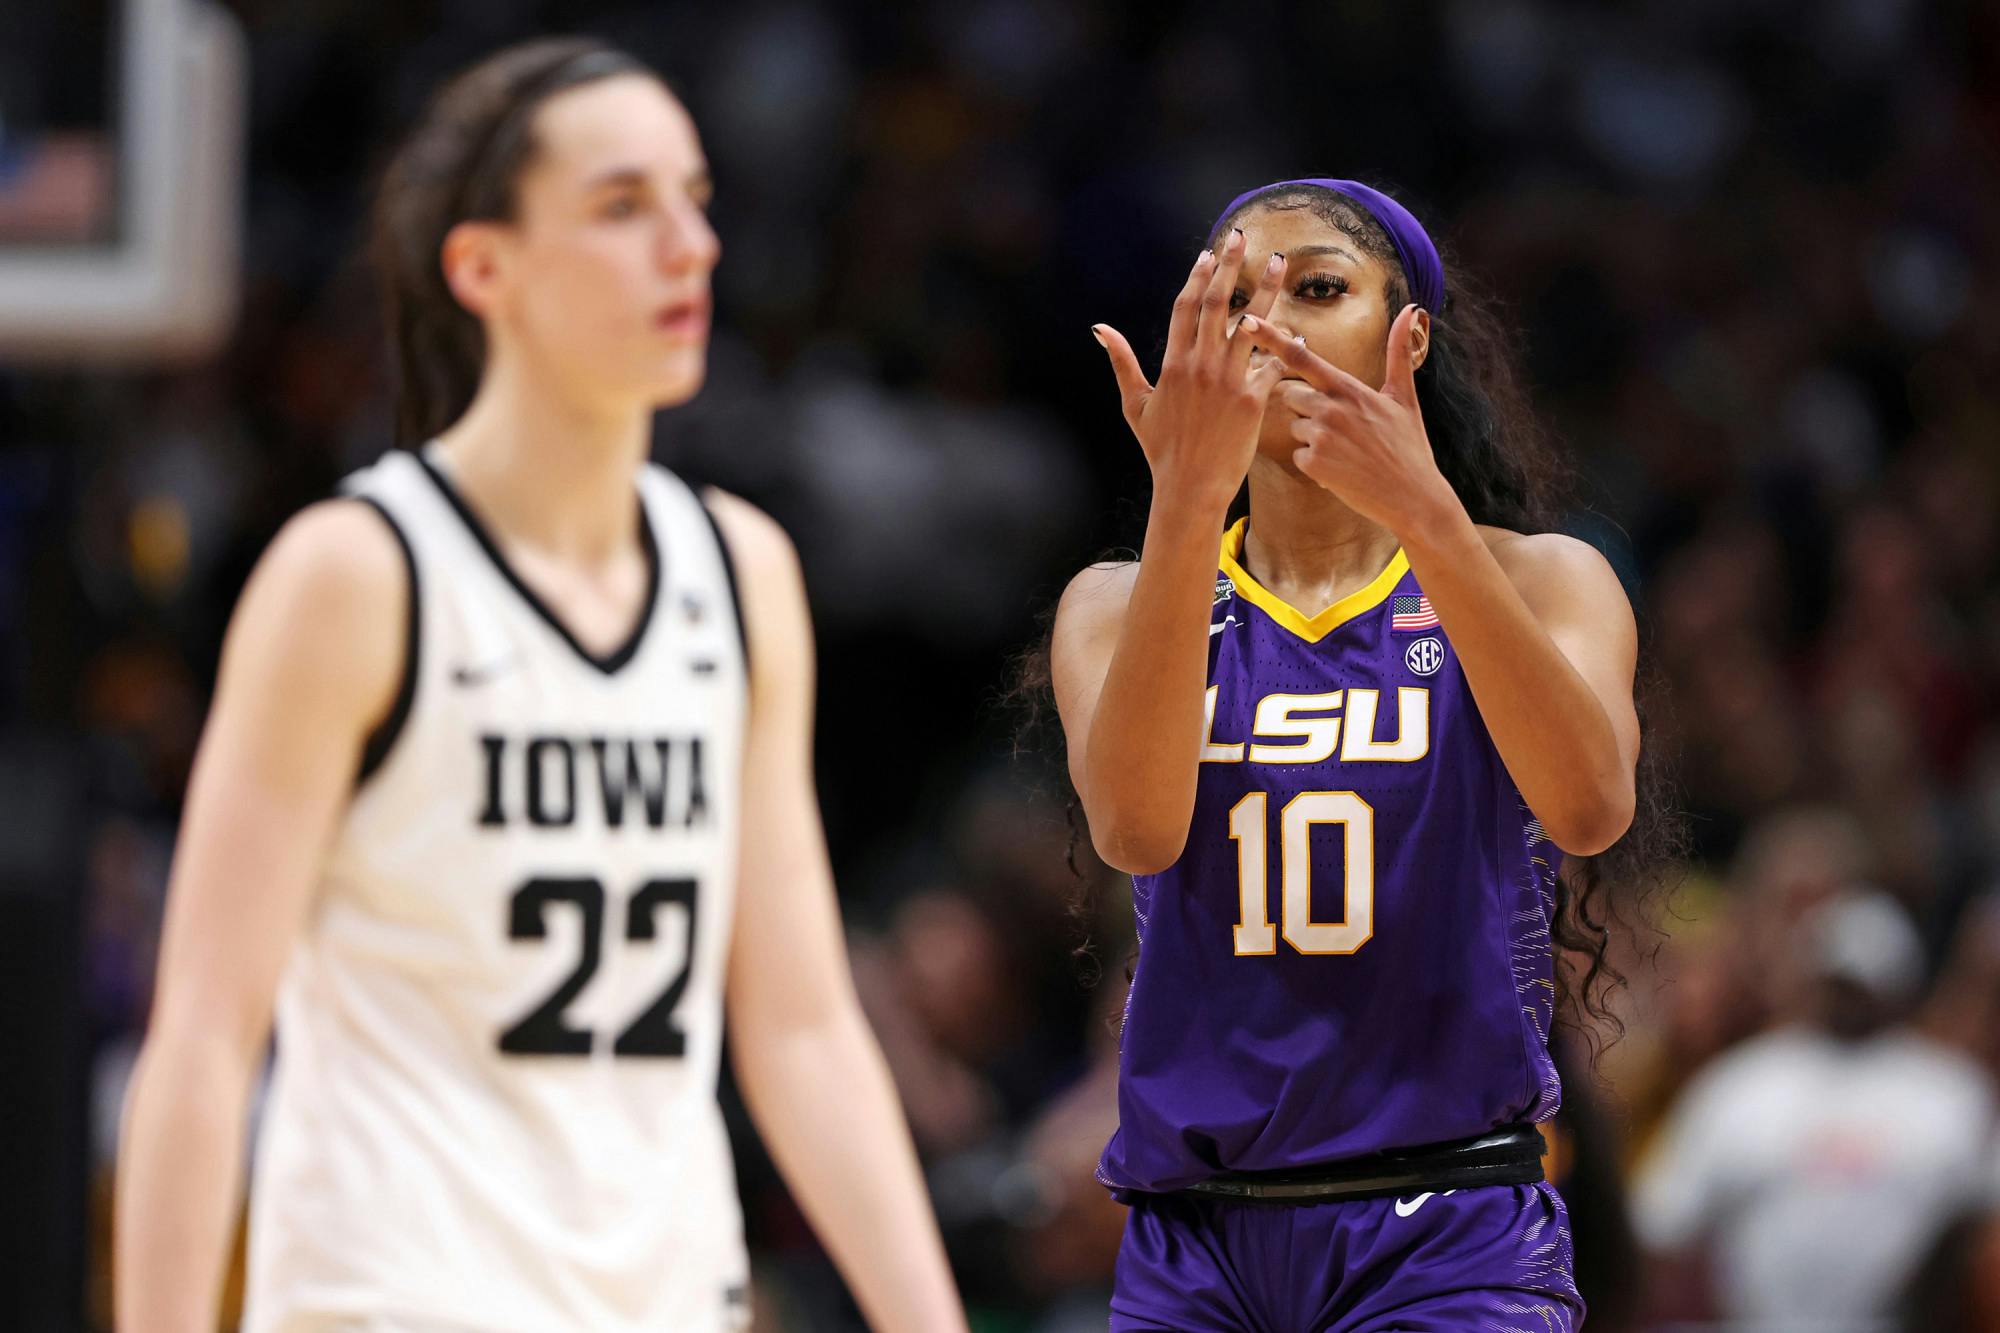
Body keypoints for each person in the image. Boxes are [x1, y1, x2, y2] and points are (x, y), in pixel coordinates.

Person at [113, 39, 966, 1333]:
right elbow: (205, 1033)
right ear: (483, 267)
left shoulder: (738, 572)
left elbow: (798, 1027)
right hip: (395, 1296)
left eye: (696, 199)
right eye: (623, 207)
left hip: (669, 1296)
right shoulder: (358, 574)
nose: (689, 246)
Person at [1050, 178, 1652, 1329]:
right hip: (1194, 1242)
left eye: (1316, 287)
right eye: (1231, 296)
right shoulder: (1116, 603)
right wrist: (1182, 501)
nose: (1265, 322)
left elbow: (1588, 807)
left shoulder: (1542, 578)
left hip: (1447, 1224)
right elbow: (1135, 829)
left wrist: (1421, 515)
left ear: (1405, 337)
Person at [1634, 890, 1996, 1330]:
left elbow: (1984, 1229)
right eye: (1838, 981)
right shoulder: (1741, 1082)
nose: (1850, 998)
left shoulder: (1951, 1091)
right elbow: (1663, 1223)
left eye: (1863, 983)